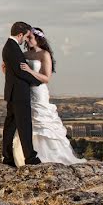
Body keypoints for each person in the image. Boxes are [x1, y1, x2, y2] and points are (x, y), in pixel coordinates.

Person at [10, 27, 86, 166]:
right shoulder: (24, 54)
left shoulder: (44, 54)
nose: (27, 40)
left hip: (38, 92)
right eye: (27, 37)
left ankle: (49, 157)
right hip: (25, 91)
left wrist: (29, 70)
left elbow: (46, 78)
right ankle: (25, 156)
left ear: (38, 38)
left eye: (30, 37)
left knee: (42, 122)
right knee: (27, 122)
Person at [1, 21, 42, 167]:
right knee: (24, 125)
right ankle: (30, 157)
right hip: (19, 93)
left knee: (11, 125)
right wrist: (37, 81)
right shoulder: (12, 48)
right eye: (25, 37)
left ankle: (7, 158)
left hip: (13, 92)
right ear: (20, 35)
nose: (25, 40)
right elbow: (20, 71)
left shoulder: (10, 47)